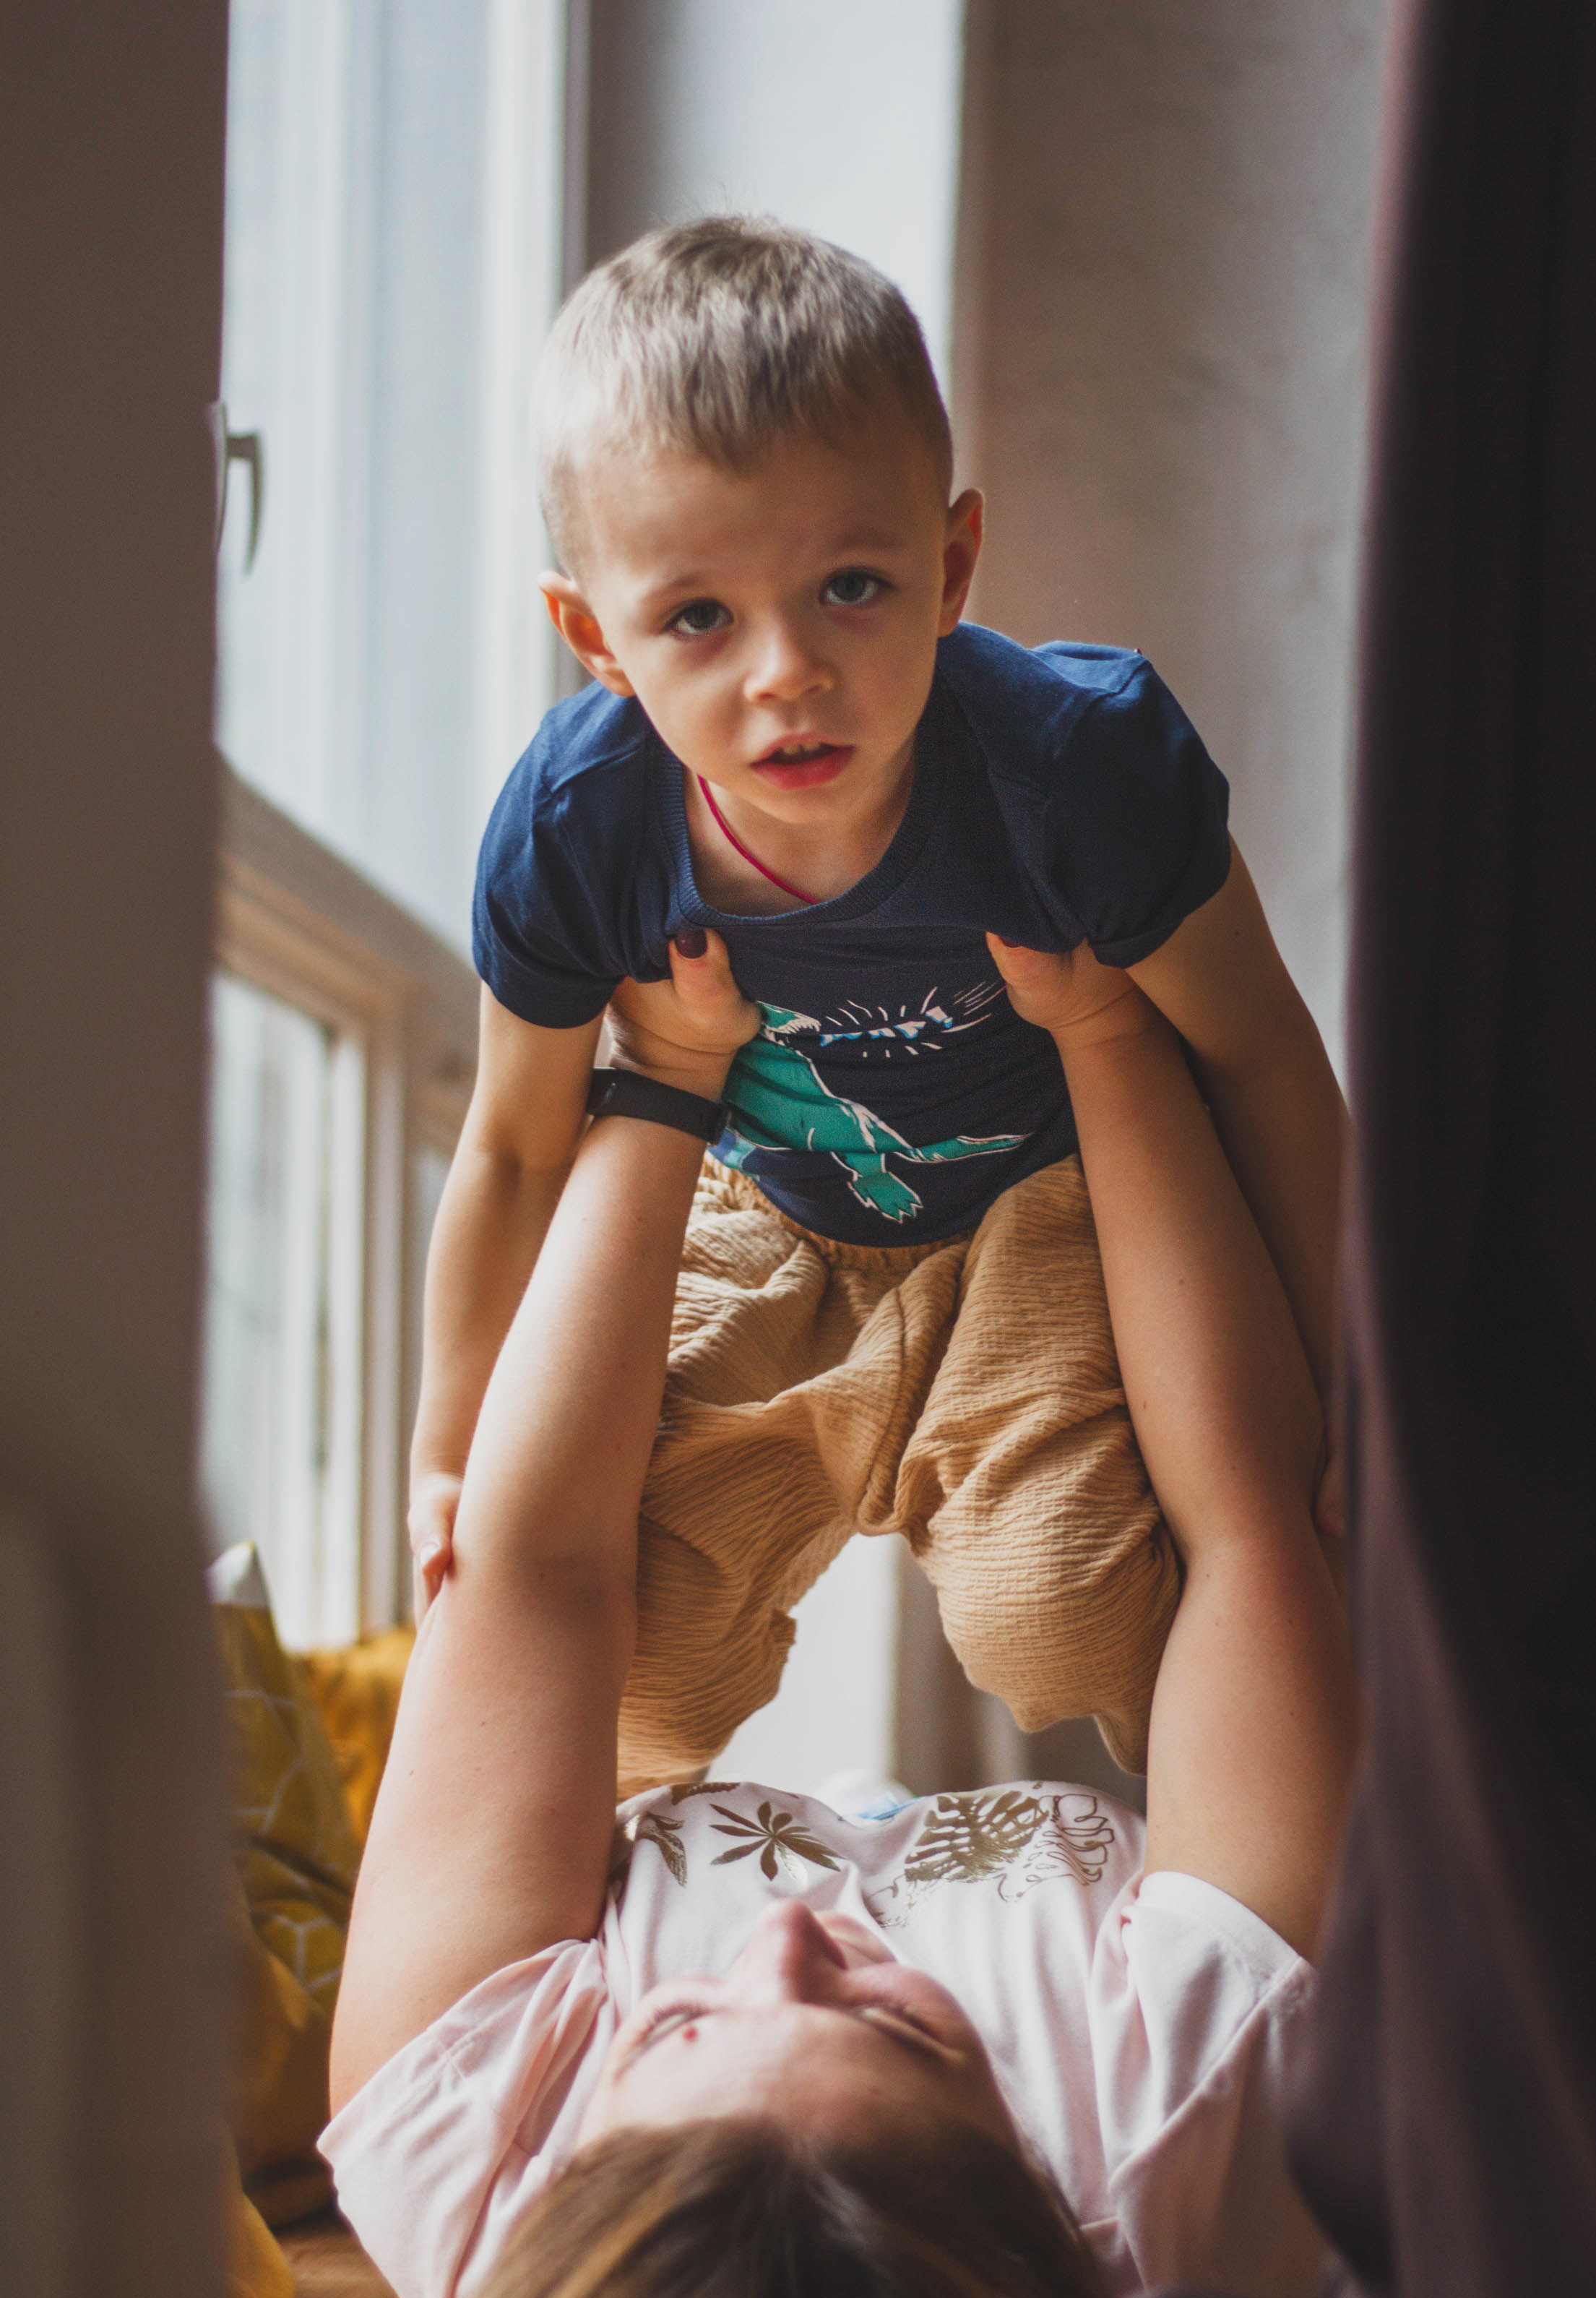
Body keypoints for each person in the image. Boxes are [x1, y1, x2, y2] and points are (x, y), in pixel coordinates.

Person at [324, 934, 1355, 2298]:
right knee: (1069, 1614)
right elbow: (1245, 1527)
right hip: (1049, 1211)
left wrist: (668, 1082)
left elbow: (538, 1572)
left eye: (678, 2031)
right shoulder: (1195, 2146)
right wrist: (1103, 1036)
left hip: (759, 1214)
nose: (797, 1940)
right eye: (896, 2028)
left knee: (638, 1678)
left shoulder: (462, 2139)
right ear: (1043, 2196)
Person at [405, 215, 1349, 1793]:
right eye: (698, 616)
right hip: (763, 1209)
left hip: (1041, 1205)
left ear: (952, 566)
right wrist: (449, 1446)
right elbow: (512, 1150)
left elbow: (1258, 1055)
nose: (786, 673)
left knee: (1077, 1611)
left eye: (851, 585)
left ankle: (1222, 1932)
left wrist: (1355, 1375)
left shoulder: (1073, 772)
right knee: (616, 1662)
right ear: (596, 642)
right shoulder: (583, 830)